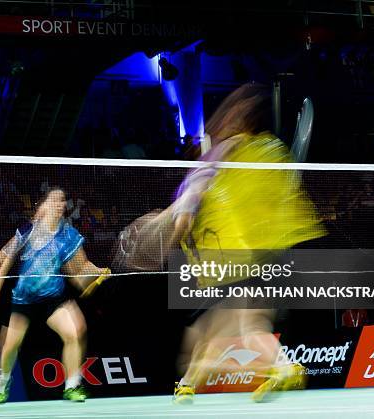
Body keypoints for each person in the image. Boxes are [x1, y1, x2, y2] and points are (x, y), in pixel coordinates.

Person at [117, 83, 326, 404]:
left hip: (234, 259)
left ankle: (282, 366)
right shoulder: (269, 152)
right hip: (261, 257)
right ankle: (187, 385)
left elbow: (190, 205)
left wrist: (170, 225)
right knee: (208, 336)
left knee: (244, 326)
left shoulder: (219, 158)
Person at [0, 188, 110, 405]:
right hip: (24, 299)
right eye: (55, 200)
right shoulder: (28, 231)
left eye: (63, 200)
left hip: (53, 297)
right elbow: (5, 256)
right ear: (42, 206)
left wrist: (97, 271)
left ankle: (72, 386)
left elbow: (78, 272)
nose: (60, 203)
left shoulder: (69, 235)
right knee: (9, 346)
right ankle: (0, 389)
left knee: (76, 332)